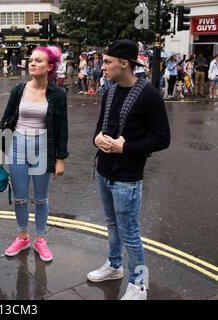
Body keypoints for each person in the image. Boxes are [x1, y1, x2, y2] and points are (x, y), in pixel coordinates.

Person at [89, 39, 170, 300]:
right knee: (112, 224)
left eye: (107, 62)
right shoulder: (110, 91)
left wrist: (127, 148)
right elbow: (101, 125)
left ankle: (140, 283)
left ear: (124, 64)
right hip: (103, 171)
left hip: (127, 178)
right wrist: (96, 138)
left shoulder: (150, 96)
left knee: (130, 232)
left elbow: (162, 138)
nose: (103, 68)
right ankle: (114, 266)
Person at [0, 46, 69, 263]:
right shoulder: (19, 89)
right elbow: (6, 118)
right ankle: (22, 236)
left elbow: (62, 128)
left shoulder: (58, 94)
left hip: (43, 148)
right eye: (31, 60)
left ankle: (40, 239)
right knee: (20, 197)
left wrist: (60, 159)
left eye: (38, 60)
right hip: (17, 147)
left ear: (50, 67)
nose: (32, 63)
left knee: (41, 199)